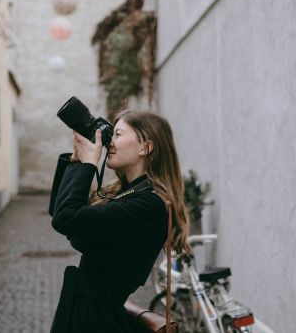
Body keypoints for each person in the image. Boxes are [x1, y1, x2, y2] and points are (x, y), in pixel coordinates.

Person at [49, 109, 191, 333]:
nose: (109, 142)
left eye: (117, 134)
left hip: (97, 322)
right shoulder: (127, 193)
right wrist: (76, 162)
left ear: (145, 147)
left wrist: (88, 166)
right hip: (87, 314)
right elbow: (60, 213)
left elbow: (67, 219)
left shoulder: (149, 206)